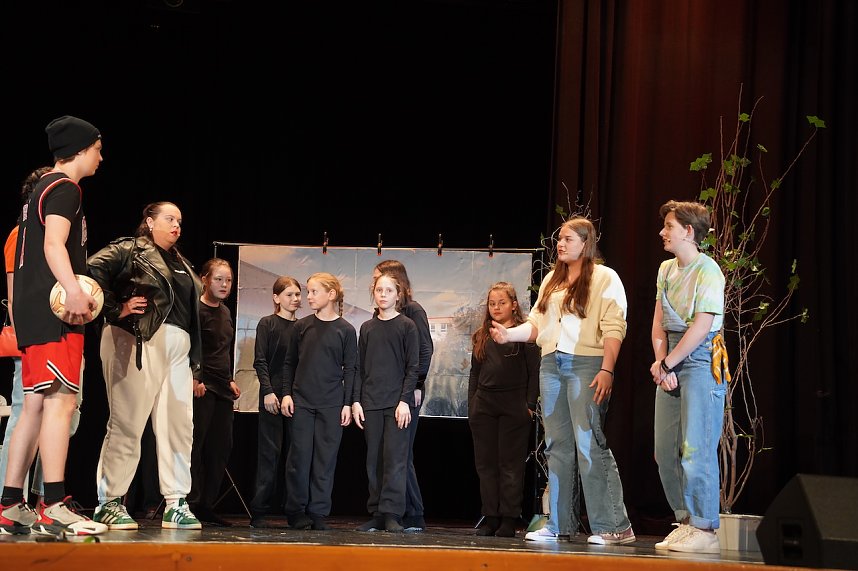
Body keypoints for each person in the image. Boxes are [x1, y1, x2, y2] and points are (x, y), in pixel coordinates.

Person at [490, 216, 635, 545]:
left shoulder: (604, 277)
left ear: (585, 243)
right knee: (558, 447)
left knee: (589, 445)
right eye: (559, 238)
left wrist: (607, 369)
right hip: (551, 363)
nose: (560, 243)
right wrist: (508, 334)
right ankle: (559, 523)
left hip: (587, 363)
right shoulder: (551, 281)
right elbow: (537, 325)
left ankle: (615, 526)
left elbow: (615, 327)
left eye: (568, 239)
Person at [0, 116, 107, 536]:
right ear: (82, 149)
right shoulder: (65, 188)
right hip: (54, 311)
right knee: (61, 400)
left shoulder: (39, 190)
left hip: (29, 310)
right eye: (98, 148)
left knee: (36, 404)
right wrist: (72, 290)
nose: (102, 156)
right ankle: (54, 503)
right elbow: (52, 244)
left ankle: (10, 503)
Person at [89, 201, 203, 530]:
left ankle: (176, 502)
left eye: (180, 220)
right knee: (128, 420)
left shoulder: (183, 263)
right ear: (150, 222)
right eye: (169, 219)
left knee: (179, 425)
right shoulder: (131, 249)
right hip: (137, 339)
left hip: (177, 349)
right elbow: (90, 271)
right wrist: (116, 308)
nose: (176, 225)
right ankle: (109, 501)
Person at [0, 168, 84, 502]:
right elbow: (14, 291)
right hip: (38, 333)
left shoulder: (35, 232)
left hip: (41, 330)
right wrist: (26, 338)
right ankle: (31, 498)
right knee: (33, 411)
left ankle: (22, 500)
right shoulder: (25, 234)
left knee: (52, 414)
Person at [649, 200, 726, 554]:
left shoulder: (708, 270)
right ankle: (686, 520)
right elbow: (659, 321)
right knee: (665, 449)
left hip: (700, 356)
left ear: (688, 232)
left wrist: (670, 364)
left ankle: (705, 526)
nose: (663, 232)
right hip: (671, 356)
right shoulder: (666, 269)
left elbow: (702, 325)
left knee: (696, 446)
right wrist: (661, 361)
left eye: (669, 226)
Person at [281, 272, 357, 531]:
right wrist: (287, 393)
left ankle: (318, 511)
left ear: (331, 294)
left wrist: (347, 403)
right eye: (308, 291)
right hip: (302, 402)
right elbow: (289, 362)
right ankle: (296, 510)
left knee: (325, 460)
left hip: (331, 404)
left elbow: (351, 370)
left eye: (314, 292)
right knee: (299, 458)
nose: (308, 297)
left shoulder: (346, 330)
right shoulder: (301, 327)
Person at [468, 282, 540, 538]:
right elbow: (474, 374)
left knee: (510, 465)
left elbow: (534, 373)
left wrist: (529, 406)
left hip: (514, 406)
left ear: (513, 305)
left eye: (502, 303)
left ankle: (509, 518)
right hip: (484, 406)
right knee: (486, 465)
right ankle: (491, 516)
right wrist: (473, 406)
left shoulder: (523, 336)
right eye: (492, 303)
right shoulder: (482, 335)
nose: (496, 308)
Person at [353, 272, 419, 533]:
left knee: (395, 459)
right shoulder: (367, 328)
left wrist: (404, 401)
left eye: (388, 291)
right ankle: (377, 512)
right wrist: (357, 401)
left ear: (398, 295)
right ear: (374, 293)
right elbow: (359, 367)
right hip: (371, 402)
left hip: (396, 405)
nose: (383, 295)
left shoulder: (406, 326)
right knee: (374, 460)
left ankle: (392, 513)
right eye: (379, 290)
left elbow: (412, 368)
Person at [372, 260, 433, 532]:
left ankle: (414, 513)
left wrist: (417, 386)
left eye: (381, 280)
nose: (378, 288)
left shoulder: (413, 312)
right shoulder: (379, 317)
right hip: (384, 395)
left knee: (401, 455)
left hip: (407, 394)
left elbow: (423, 351)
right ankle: (401, 511)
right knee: (392, 455)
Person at [188, 258, 240, 527]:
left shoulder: (225, 312)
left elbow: (223, 351)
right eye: (219, 279)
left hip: (222, 386)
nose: (224, 285)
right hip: (201, 386)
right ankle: (192, 503)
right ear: (205, 279)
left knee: (221, 448)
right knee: (197, 445)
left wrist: (230, 380)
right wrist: (193, 377)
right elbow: (188, 348)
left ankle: (207, 504)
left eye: (228, 280)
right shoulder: (195, 310)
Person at [250, 276, 302, 528]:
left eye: (297, 294)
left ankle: (294, 511)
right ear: (276, 297)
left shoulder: (303, 327)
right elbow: (260, 361)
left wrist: (291, 394)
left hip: (295, 400)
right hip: (271, 399)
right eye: (290, 294)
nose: (295, 299)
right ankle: (259, 512)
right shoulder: (267, 324)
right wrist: (269, 392)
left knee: (295, 458)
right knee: (269, 456)